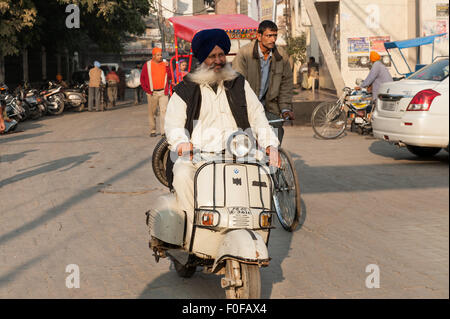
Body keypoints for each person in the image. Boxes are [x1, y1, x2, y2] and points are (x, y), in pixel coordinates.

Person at [164, 28, 281, 248]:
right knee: (181, 174)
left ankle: (256, 228)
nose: (218, 61)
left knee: (266, 176)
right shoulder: (185, 88)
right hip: (199, 155)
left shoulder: (239, 83)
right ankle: (192, 233)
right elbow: (173, 124)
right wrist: (181, 143)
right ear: (203, 58)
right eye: (212, 56)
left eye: (221, 55)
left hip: (239, 153)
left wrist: (270, 145)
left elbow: (257, 117)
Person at [232, 20, 295, 144]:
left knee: (276, 137)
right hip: (247, 107)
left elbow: (286, 84)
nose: (273, 39)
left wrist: (285, 108)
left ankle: (274, 161)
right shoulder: (245, 54)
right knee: (247, 145)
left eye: (275, 35)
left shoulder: (281, 56)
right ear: (259, 36)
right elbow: (237, 84)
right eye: (269, 36)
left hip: (270, 107)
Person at [140, 48, 171, 137]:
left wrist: (168, 67)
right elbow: (142, 79)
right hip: (152, 93)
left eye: (161, 55)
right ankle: (153, 130)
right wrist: (147, 91)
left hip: (163, 92)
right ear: (153, 56)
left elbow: (169, 77)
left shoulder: (165, 64)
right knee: (152, 112)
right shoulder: (147, 65)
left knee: (164, 111)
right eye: (158, 55)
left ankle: (163, 131)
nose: (160, 56)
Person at [356, 51, 393, 116]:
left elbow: (370, 77)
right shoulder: (380, 65)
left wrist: (362, 86)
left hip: (382, 92)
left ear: (371, 59)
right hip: (387, 90)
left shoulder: (376, 65)